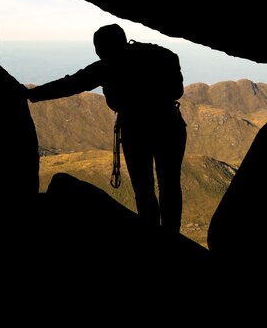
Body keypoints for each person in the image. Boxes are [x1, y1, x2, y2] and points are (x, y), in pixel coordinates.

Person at [26, 23, 187, 233]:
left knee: (144, 189)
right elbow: (176, 90)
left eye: (99, 48)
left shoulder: (107, 66)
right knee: (169, 186)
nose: (99, 53)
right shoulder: (157, 55)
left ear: (105, 47)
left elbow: (71, 84)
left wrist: (32, 95)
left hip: (137, 132)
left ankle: (154, 238)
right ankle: (170, 236)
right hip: (169, 126)